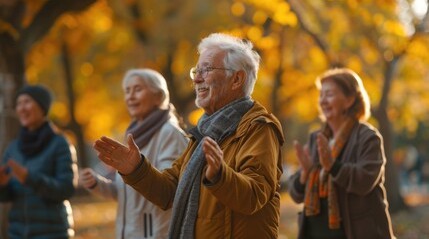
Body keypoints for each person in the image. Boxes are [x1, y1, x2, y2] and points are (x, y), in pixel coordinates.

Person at [93, 33, 285, 238]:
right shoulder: (203, 133)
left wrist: (220, 175)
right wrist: (137, 169)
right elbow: (170, 192)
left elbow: (253, 196)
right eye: (196, 70)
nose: (197, 78)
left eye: (207, 69)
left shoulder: (259, 128)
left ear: (236, 79)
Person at [80, 68, 188, 239]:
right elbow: (127, 192)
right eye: (127, 91)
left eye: (138, 89)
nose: (130, 96)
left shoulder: (169, 133)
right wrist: (97, 184)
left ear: (158, 97)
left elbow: (168, 190)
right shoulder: (134, 135)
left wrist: (136, 169)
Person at [287, 68, 395, 239]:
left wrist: (332, 165)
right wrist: (305, 174)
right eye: (321, 95)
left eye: (329, 94)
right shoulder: (317, 137)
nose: (323, 101)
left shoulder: (368, 137)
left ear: (350, 100)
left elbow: (365, 180)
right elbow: (295, 194)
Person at [0, 84, 77, 238]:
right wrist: (2, 185)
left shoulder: (60, 143)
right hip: (17, 233)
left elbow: (66, 189)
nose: (21, 108)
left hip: (52, 233)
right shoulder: (13, 148)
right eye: (18, 104)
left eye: (27, 102)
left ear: (42, 106)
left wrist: (29, 178)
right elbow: (7, 196)